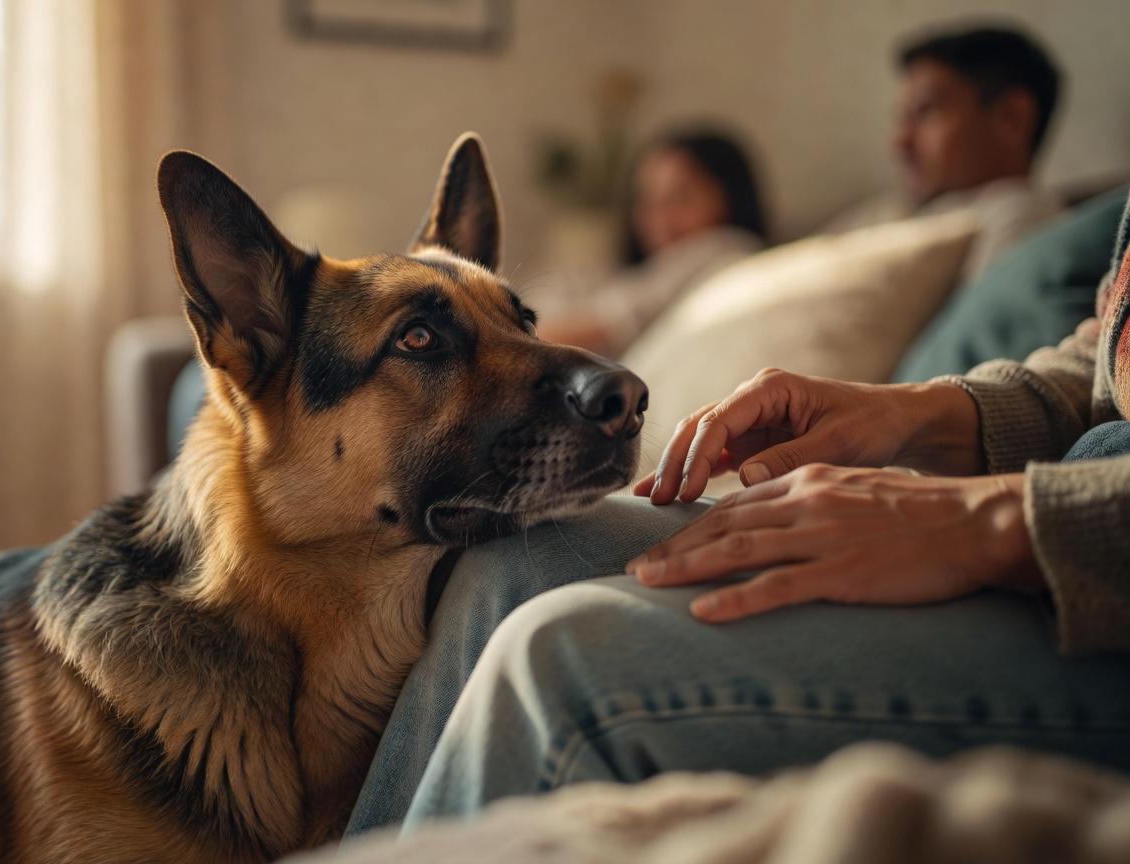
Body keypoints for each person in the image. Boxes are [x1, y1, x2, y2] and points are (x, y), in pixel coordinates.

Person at [342, 194, 1130, 839]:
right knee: (515, 565)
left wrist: (1001, 520)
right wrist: (918, 409)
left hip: (1092, 579)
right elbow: (1103, 368)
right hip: (1064, 494)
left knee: (565, 656)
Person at [823, 24, 1065, 280]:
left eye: (926, 112)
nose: (900, 141)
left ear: (1011, 119)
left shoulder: (1021, 216)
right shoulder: (883, 213)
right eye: (903, 119)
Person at [534, 129, 767, 358]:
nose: (659, 217)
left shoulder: (727, 248)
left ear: (729, 197)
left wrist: (507, 342)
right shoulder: (651, 269)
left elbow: (597, 329)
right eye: (647, 199)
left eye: (680, 197)